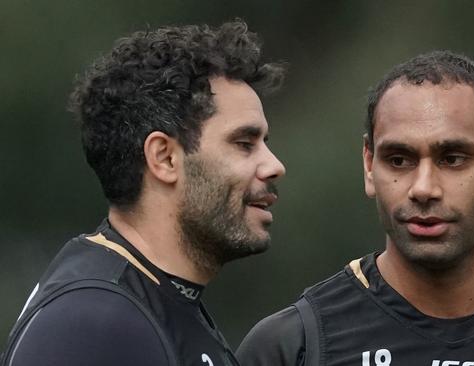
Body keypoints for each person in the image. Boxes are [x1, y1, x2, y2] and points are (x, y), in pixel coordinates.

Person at [236, 50, 474, 366]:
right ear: (368, 166)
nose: (423, 189)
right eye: (399, 160)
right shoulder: (292, 348)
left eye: (453, 158)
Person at [2, 21, 285, 366]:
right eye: (244, 144)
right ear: (164, 158)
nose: (274, 166)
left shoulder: (156, 302)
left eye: (264, 144)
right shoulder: (93, 324)